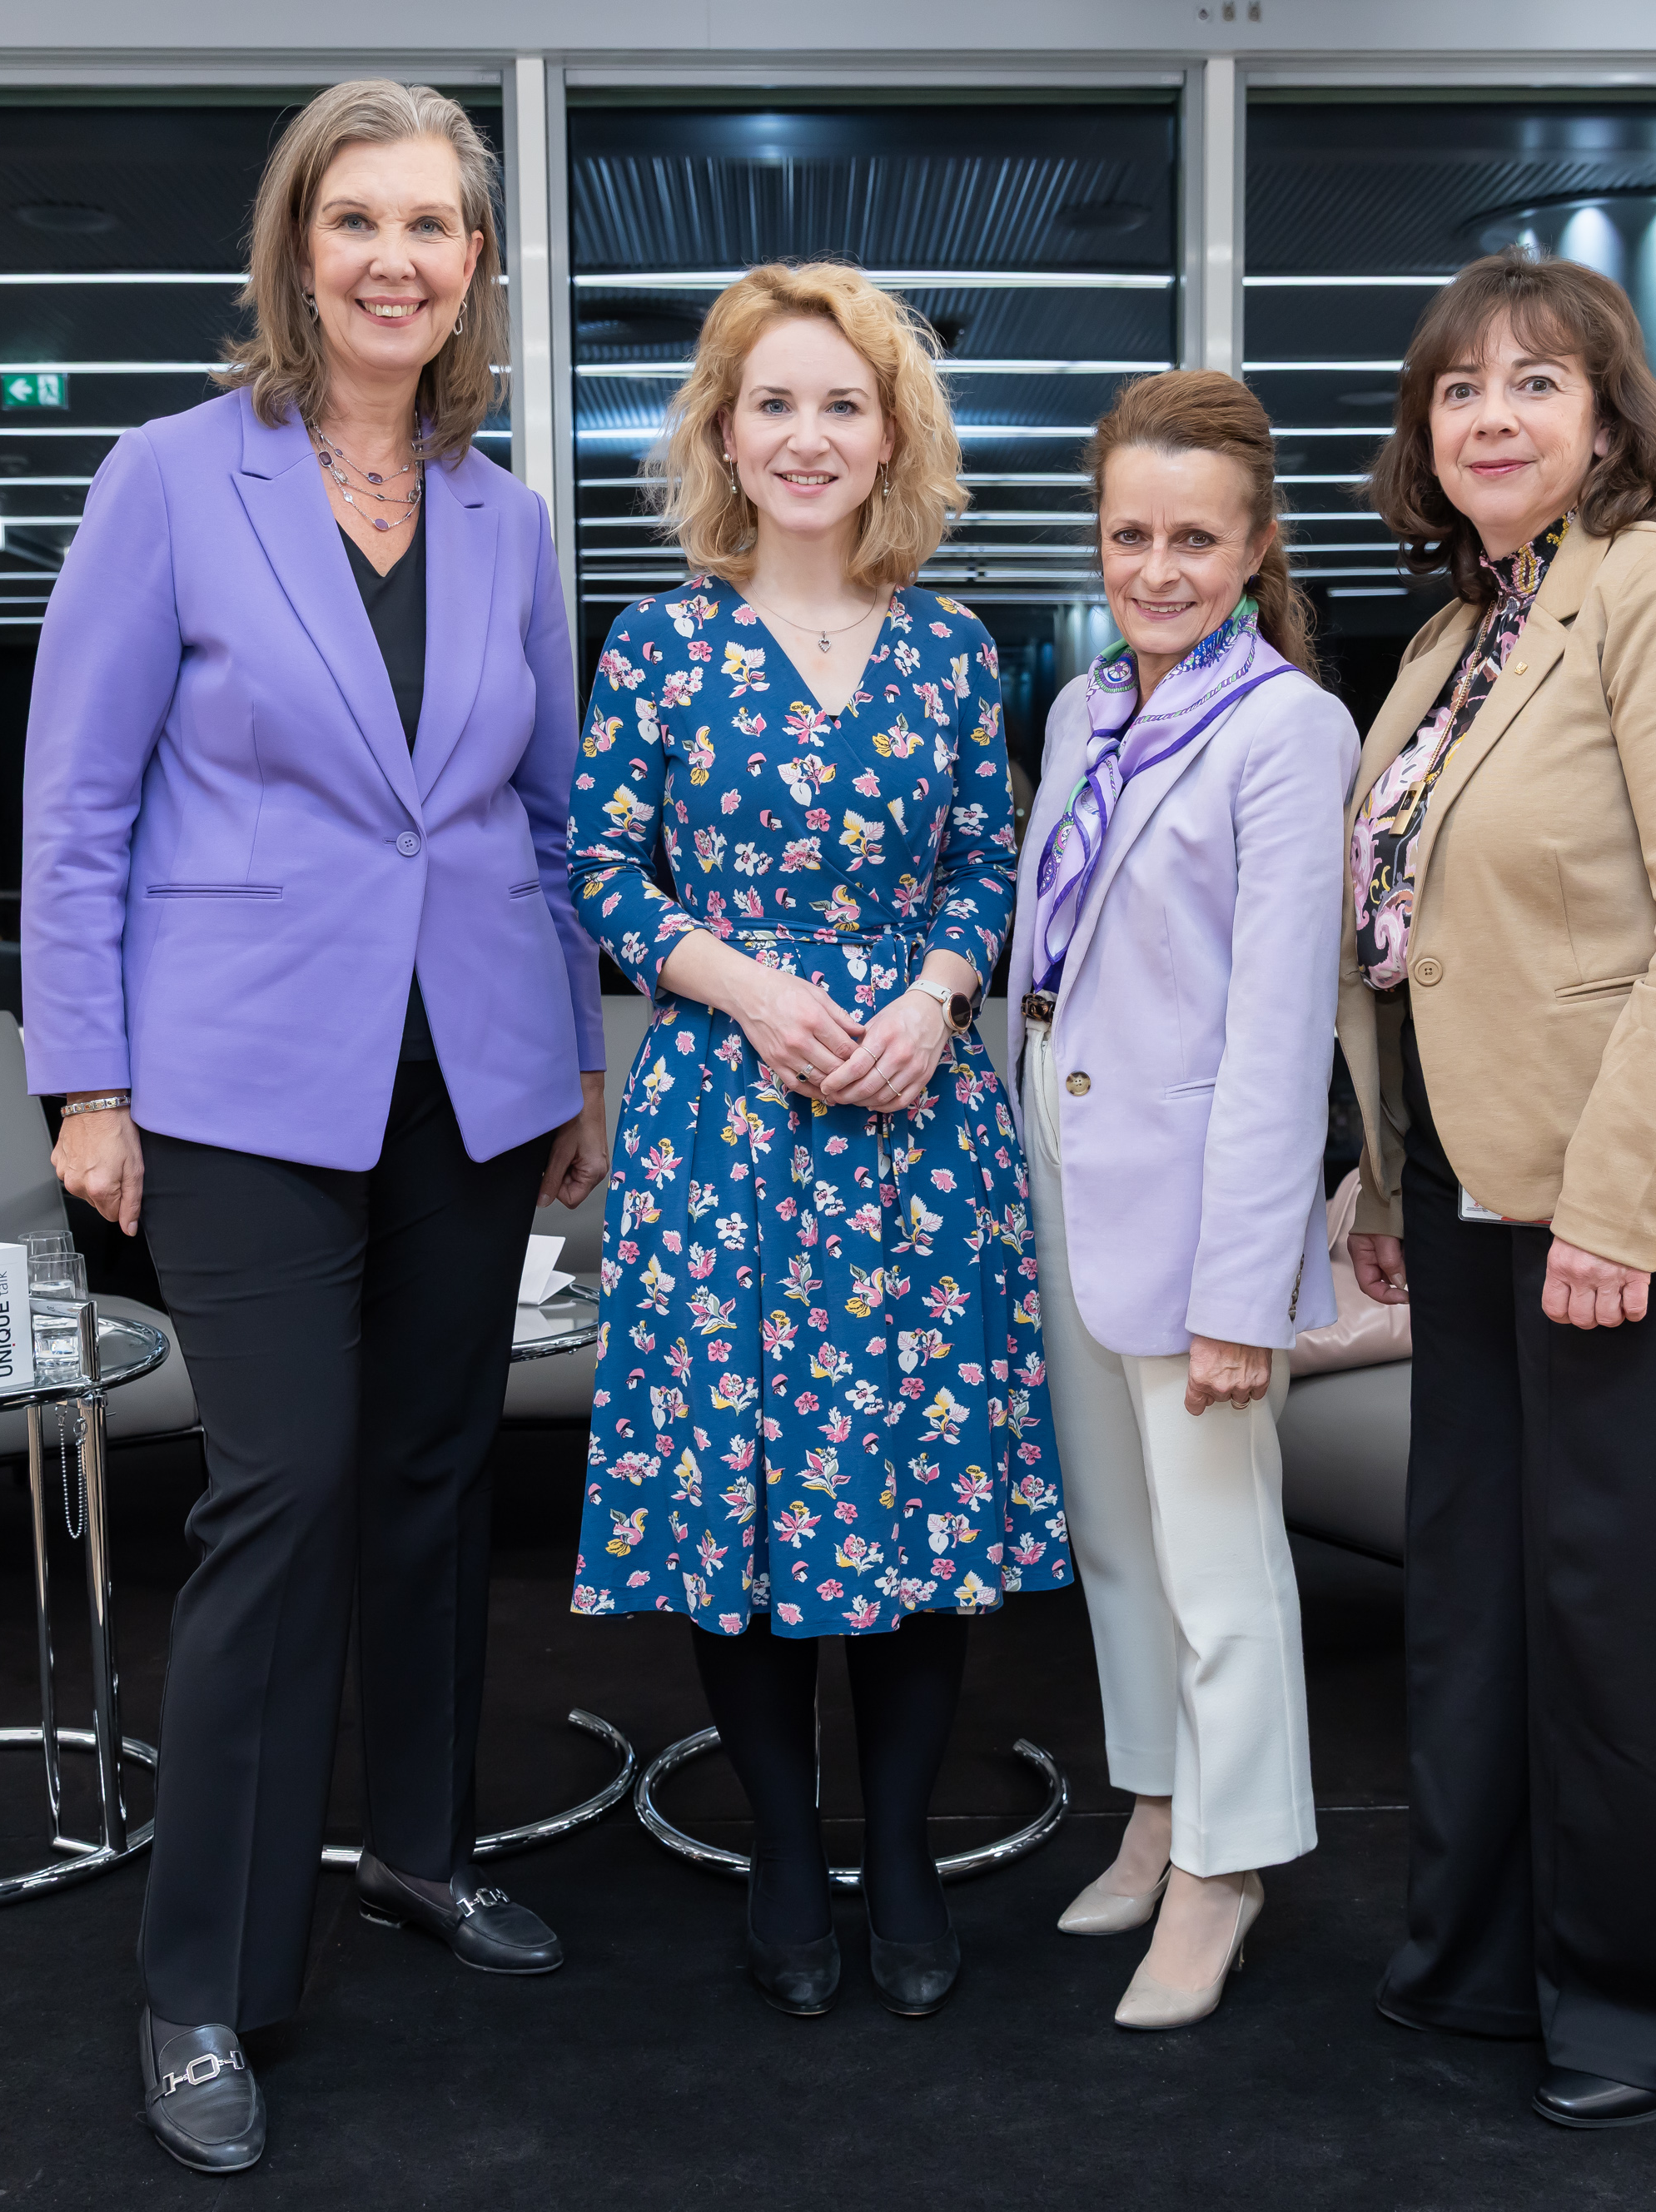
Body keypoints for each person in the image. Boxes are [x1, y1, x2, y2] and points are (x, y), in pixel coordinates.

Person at [20, 81, 607, 2175]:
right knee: (286, 1491)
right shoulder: (174, 477)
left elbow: (544, 819)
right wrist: (87, 1081)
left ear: (475, 269)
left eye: (432, 226)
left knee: (439, 1476)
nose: (393, 259)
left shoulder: (505, 518)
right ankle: (207, 1980)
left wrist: (574, 1065)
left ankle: (423, 1851)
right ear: (296, 249)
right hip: (237, 1081)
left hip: (473, 1073)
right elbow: (78, 804)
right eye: (356, 219)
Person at [1340, 248, 1656, 2129]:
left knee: (1629, 1618)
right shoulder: (1451, 641)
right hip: (1475, 1189)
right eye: (1459, 387)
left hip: (1652, 1193)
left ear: (1612, 422)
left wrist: (1618, 1203)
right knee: (1482, 1594)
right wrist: (1388, 1183)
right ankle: (1482, 1954)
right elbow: (1414, 944)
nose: (1492, 416)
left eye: (1537, 382)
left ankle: (1638, 2008)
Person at [567, 261, 1069, 2021]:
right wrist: (745, 989)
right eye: (771, 403)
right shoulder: (656, 642)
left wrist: (938, 992)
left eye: (840, 404)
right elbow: (601, 868)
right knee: (747, 1489)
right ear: (722, 433)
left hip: (921, 1124)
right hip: (726, 1121)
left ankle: (904, 1852)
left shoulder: (953, 648)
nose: (805, 436)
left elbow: (989, 861)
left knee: (921, 1487)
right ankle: (785, 1853)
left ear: (890, 435)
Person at [1006, 369, 1359, 2030]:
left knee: (1218, 1558)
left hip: (1196, 1194)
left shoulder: (1286, 730)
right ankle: (1155, 1807)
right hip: (1064, 1162)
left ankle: (1230, 1862)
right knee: (1116, 1539)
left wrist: (1242, 1293)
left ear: (1255, 545)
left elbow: (1280, 1038)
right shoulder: (1085, 711)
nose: (1157, 569)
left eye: (1195, 540)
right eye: (1130, 535)